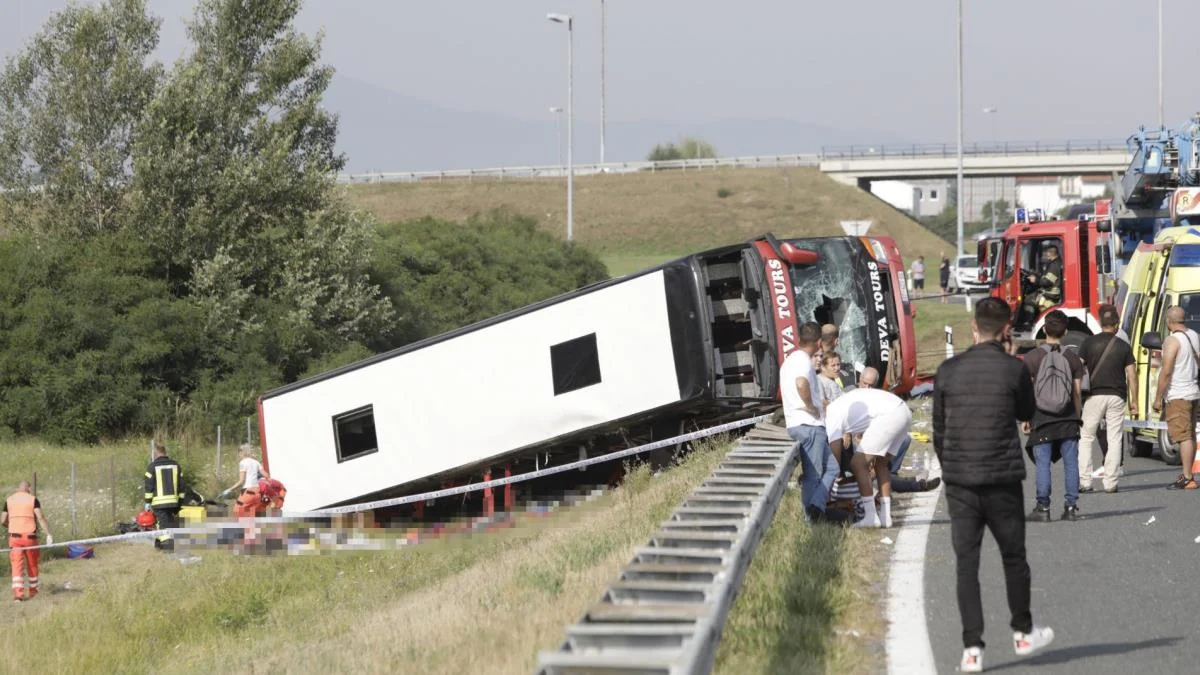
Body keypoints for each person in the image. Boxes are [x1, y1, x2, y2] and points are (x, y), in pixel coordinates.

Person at [934, 297, 1054, 673]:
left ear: (973, 327)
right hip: (1002, 479)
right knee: (1013, 556)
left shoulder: (948, 370)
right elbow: (1026, 412)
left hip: (961, 482)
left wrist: (952, 464)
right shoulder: (1013, 369)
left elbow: (939, 429)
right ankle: (1022, 631)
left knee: (966, 563)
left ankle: (972, 649)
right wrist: (1012, 357)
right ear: (1007, 332)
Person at [1023, 310, 1084, 522]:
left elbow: (1028, 391)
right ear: (1066, 331)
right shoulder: (1073, 358)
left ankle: (1043, 508)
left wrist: (1026, 418)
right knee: (1071, 463)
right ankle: (1071, 507)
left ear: (1044, 329)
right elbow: (1076, 392)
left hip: (1041, 418)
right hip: (1067, 419)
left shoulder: (1032, 358)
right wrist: (1077, 417)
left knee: (1042, 464)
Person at [780, 322, 841, 523]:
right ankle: (811, 519)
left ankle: (817, 506)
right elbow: (801, 383)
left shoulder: (790, 360)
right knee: (813, 475)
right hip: (809, 425)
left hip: (802, 425)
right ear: (817, 342)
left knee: (832, 468)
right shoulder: (803, 360)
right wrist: (811, 406)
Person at [825, 387, 912, 528]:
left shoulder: (830, 415)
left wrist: (828, 481)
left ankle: (871, 516)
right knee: (881, 464)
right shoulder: (842, 404)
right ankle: (885, 517)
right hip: (904, 410)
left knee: (858, 464)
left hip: (889, 415)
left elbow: (835, 453)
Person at [1078, 305, 1137, 493]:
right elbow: (1132, 375)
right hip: (1117, 396)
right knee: (1114, 437)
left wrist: (1077, 396)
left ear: (1100, 323)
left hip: (1094, 396)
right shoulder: (1123, 346)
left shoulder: (1088, 343)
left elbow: (1078, 370)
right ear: (1117, 325)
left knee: (1086, 437)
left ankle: (1085, 482)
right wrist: (1134, 401)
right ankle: (1111, 483)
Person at [1152, 305, 1200, 490]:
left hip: (1178, 394)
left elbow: (1166, 372)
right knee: (1189, 434)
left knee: (1183, 436)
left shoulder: (1172, 341)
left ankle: (1188, 477)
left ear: (1169, 321)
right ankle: (1188, 474)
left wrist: (1158, 398)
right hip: (1193, 391)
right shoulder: (1194, 335)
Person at [3, 481, 52, 602]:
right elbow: (40, 517)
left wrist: (10, 525)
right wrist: (48, 534)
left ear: (17, 489)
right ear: (28, 488)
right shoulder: (33, 499)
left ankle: (18, 595)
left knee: (16, 565)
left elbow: (3, 519)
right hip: (30, 538)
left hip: (14, 538)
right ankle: (33, 591)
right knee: (32, 564)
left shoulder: (9, 500)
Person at [144, 441, 185, 552]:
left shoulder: (151, 467)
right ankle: (159, 546)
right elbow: (182, 486)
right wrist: (180, 502)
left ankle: (168, 547)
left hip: (158, 503)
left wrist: (147, 502)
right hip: (174, 502)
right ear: (165, 452)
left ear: (155, 453)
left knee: (163, 524)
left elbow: (149, 487)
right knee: (166, 522)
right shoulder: (176, 465)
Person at [1021, 245, 1063, 324]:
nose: (1045, 255)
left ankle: (1028, 323)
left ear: (1050, 253)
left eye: (1046, 253)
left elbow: (1046, 282)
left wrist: (1035, 280)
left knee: (1029, 300)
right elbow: (1047, 277)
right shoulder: (1057, 262)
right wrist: (1037, 275)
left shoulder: (1054, 266)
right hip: (1052, 292)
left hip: (1050, 294)